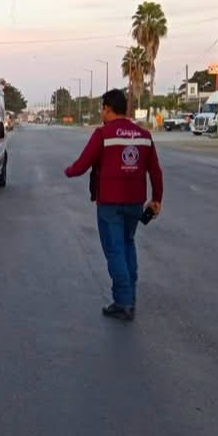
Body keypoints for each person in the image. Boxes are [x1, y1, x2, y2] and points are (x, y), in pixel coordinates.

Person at [64, 89, 163, 321]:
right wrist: (157, 198)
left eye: (102, 108)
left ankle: (123, 302)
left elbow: (82, 164)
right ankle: (131, 297)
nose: (101, 112)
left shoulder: (103, 134)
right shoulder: (144, 135)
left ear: (107, 108)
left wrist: (68, 171)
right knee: (128, 244)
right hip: (135, 202)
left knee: (115, 250)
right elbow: (155, 171)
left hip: (109, 203)